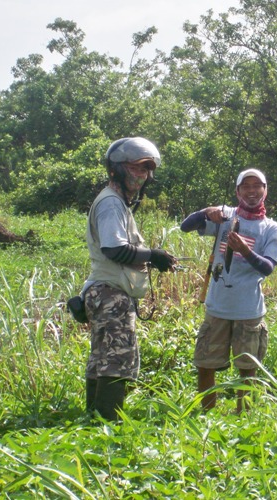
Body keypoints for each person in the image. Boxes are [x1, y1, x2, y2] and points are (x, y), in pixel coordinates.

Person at [81, 137, 177, 421]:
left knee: (102, 360)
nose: (142, 175)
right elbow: (113, 248)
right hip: (111, 295)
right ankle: (106, 425)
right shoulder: (111, 203)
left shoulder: (117, 202)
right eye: (136, 168)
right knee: (116, 362)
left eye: (147, 170)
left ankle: (92, 420)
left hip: (108, 293)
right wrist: (153, 256)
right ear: (117, 169)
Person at [181, 168, 277, 413]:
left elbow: (268, 267)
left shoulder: (272, 228)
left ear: (265, 190)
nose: (252, 191)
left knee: (247, 367)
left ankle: (243, 415)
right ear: (237, 191)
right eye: (246, 186)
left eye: (257, 186)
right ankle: (206, 414)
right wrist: (206, 212)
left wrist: (246, 251)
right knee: (206, 364)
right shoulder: (225, 217)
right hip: (217, 307)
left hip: (249, 310)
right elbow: (186, 226)